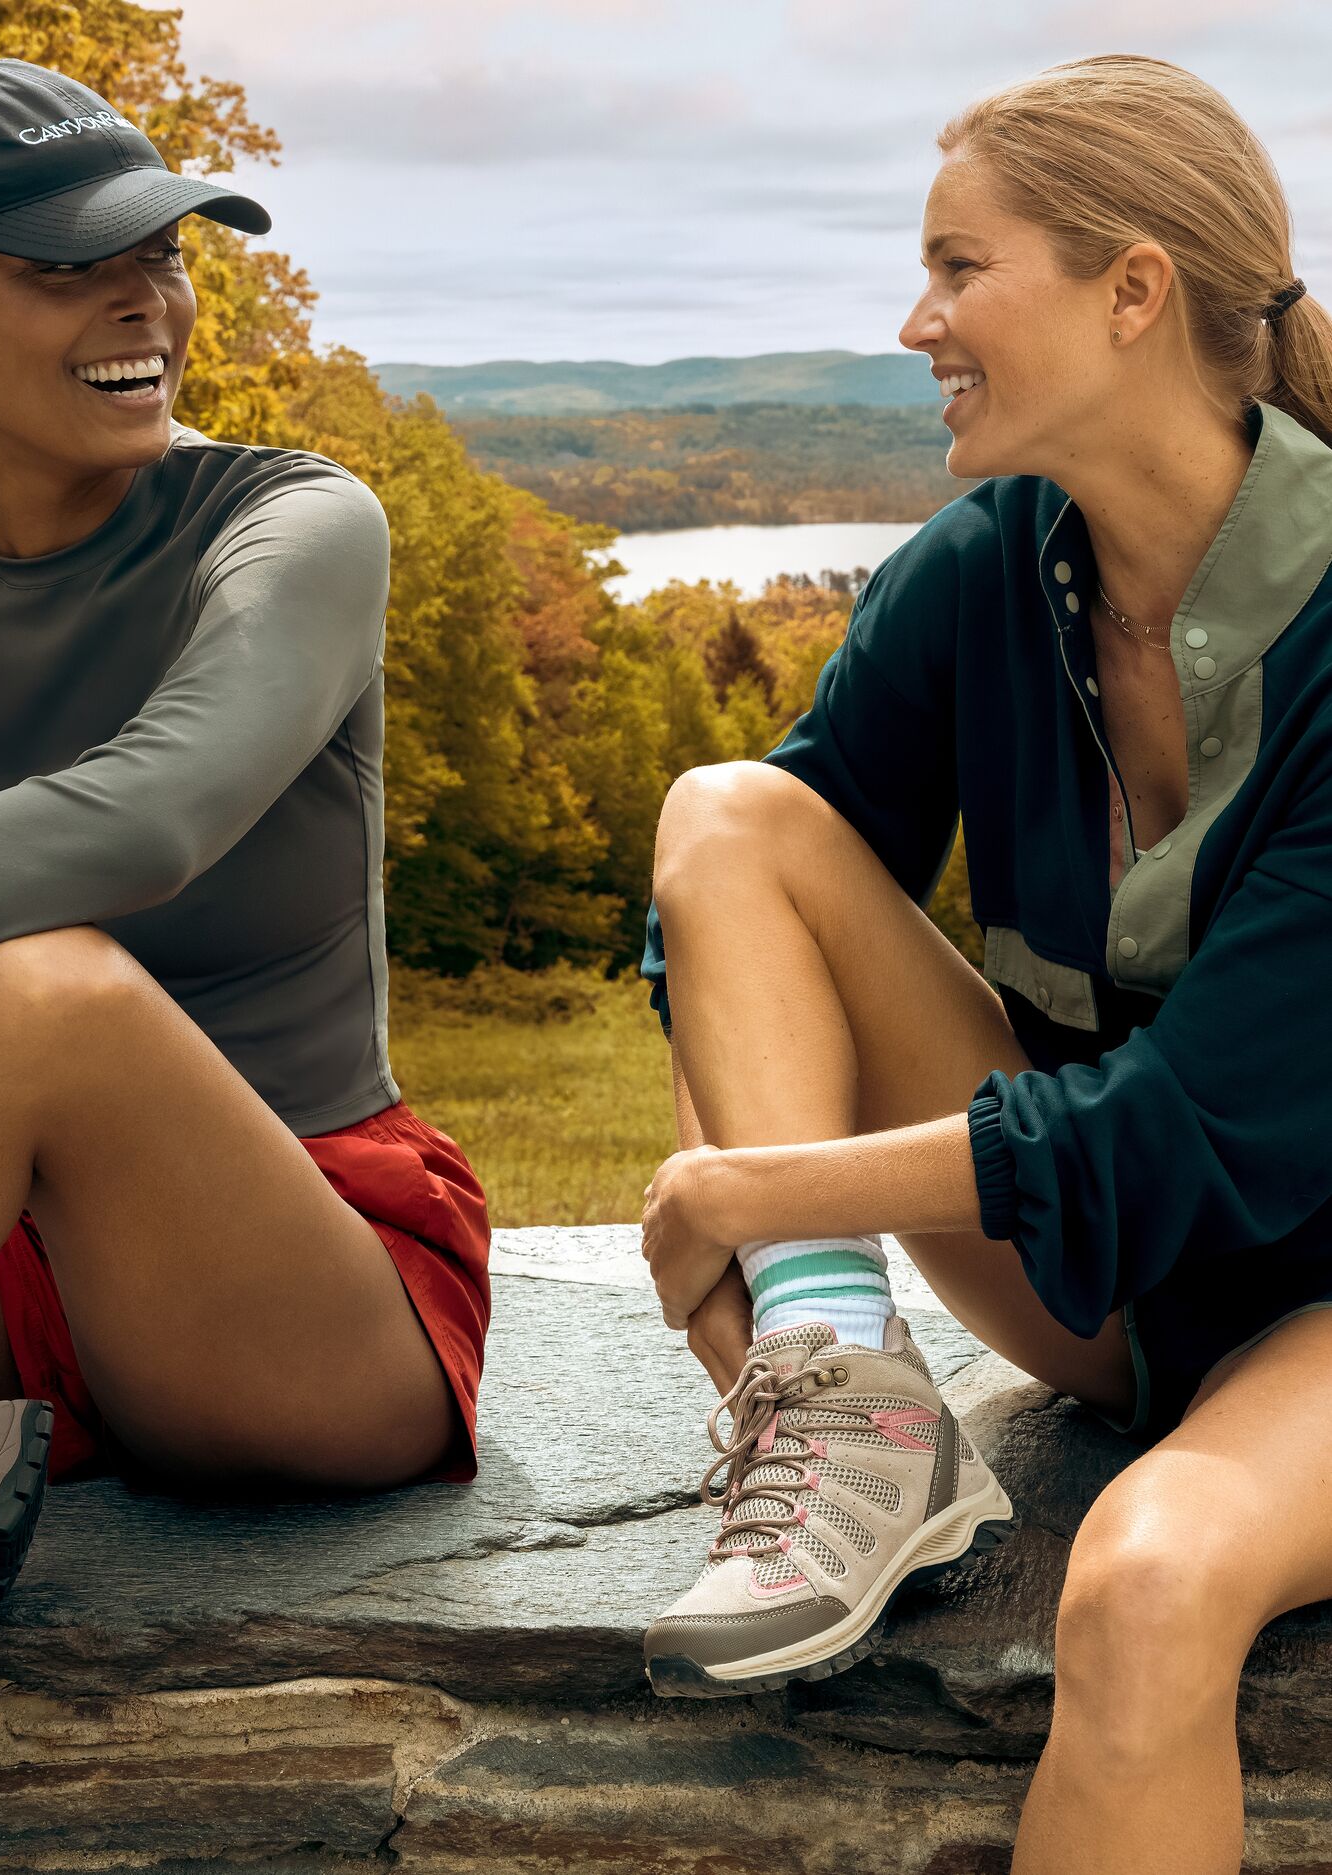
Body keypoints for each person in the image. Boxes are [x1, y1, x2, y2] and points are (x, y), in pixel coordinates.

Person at [636, 52, 1332, 1875]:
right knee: (728, 815)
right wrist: (796, 1257)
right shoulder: (986, 572)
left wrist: (738, 1182)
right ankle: (843, 1409)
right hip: (1118, 1287)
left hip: (1308, 1294)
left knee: (1155, 1577)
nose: (914, 319)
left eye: (960, 269)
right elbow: (732, 919)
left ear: (1133, 289)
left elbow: (1185, 1136)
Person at [0, 56, 490, 1860]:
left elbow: (146, 820)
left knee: (38, 983)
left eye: (165, 249)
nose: (145, 297)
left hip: (303, 1280)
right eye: (65, 266)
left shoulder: (291, 523)